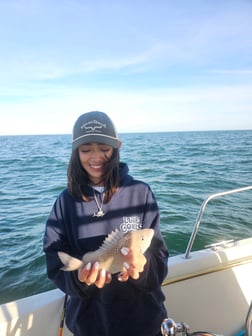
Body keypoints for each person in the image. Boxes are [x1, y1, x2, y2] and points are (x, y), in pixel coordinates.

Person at [43, 111, 169, 336]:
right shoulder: (65, 202)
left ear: (117, 147)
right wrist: (79, 278)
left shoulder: (141, 193)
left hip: (144, 321)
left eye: (104, 148)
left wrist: (142, 266)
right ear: (75, 152)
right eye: (86, 149)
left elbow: (159, 261)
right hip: (90, 325)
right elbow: (54, 261)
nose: (95, 157)